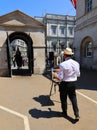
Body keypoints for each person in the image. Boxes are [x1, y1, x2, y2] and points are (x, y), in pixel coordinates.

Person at [53, 47, 80, 120]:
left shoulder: (62, 64)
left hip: (65, 84)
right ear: (71, 55)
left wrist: (56, 75)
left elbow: (61, 77)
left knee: (63, 98)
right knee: (73, 98)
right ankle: (77, 114)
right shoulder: (76, 63)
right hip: (73, 83)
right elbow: (78, 74)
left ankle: (64, 112)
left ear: (65, 55)